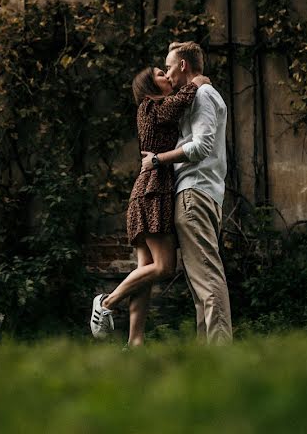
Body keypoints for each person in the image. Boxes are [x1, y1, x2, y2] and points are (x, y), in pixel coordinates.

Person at [89, 66, 211, 345]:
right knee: (165, 267)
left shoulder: (155, 108)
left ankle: (135, 341)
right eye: (160, 74)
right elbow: (180, 102)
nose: (167, 76)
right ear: (149, 86)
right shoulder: (150, 106)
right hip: (153, 192)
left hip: (149, 190)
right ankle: (107, 302)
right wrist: (197, 82)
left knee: (144, 271)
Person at [140, 41, 232, 345]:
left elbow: (201, 146)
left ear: (183, 65)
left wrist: (157, 159)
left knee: (206, 277)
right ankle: (207, 355)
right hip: (199, 193)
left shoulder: (203, 94)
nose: (166, 72)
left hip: (195, 193)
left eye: (168, 66)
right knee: (199, 283)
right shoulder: (197, 95)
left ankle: (220, 354)